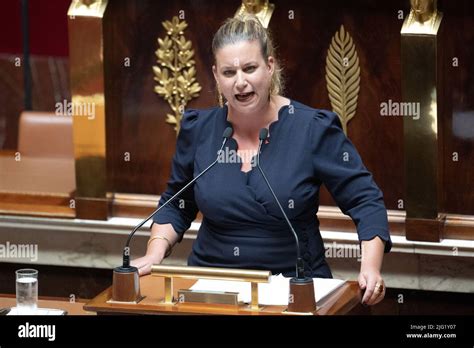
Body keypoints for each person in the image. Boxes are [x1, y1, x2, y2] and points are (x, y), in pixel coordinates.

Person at [132, 15, 392, 306]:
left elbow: (364, 200)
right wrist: (155, 252)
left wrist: (370, 267)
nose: (240, 82)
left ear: (270, 66)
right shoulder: (198, 130)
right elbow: (177, 205)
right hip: (212, 290)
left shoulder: (312, 129)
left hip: (294, 290)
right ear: (216, 76)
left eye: (250, 68)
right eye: (229, 72)